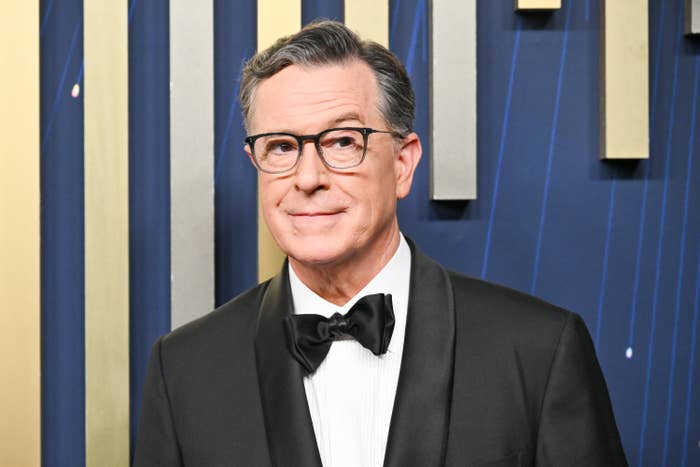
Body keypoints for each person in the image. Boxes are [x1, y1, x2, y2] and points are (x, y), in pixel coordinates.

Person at [133, 20, 627, 467]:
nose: (308, 178)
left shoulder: (539, 351)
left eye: (342, 141)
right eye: (282, 146)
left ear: (403, 164)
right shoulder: (184, 371)